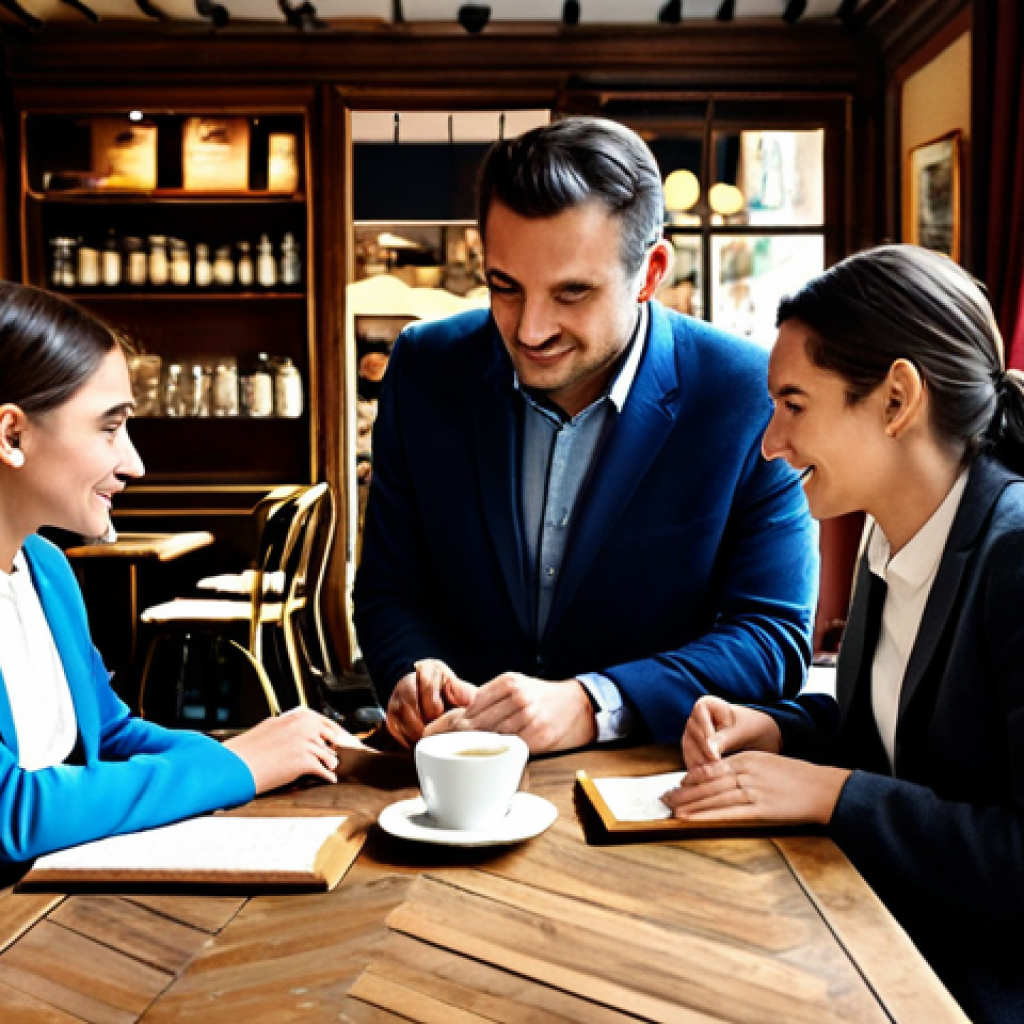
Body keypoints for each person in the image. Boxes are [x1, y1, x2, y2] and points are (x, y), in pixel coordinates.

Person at [353, 116, 819, 752]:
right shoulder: (424, 368)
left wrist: (594, 704)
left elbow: (772, 637)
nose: (531, 330)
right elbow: (390, 589)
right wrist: (414, 675)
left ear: (651, 271)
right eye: (504, 287)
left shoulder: (745, 393)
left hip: (655, 778)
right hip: (454, 769)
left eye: (572, 293)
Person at [663, 244, 1024, 1024]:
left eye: (794, 404)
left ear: (897, 399)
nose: (770, 443)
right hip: (878, 939)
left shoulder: (1016, 553)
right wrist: (775, 729)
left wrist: (832, 794)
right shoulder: (889, 536)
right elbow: (898, 741)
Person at [0, 281, 354, 864]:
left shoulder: (47, 569)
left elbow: (109, 736)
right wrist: (237, 766)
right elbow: (10, 812)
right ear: (13, 435)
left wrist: (270, 748)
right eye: (109, 428)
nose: (135, 463)